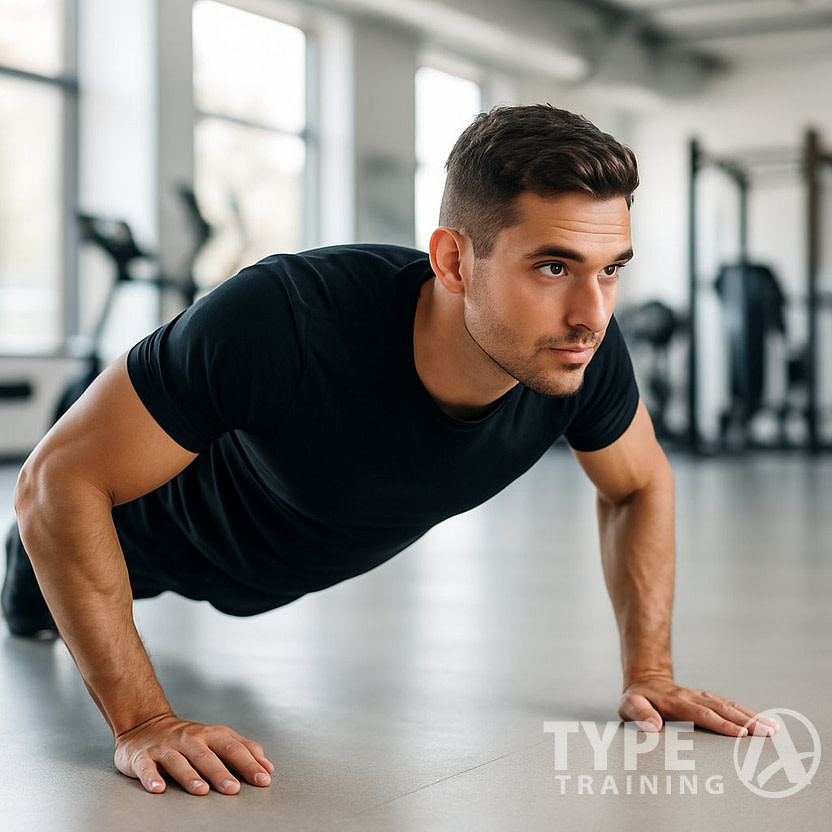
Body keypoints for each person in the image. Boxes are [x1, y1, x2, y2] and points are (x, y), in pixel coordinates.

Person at [3, 104, 776, 797]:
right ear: (451, 260)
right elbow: (55, 482)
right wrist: (143, 722)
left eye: (611, 271)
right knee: (26, 609)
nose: (591, 313)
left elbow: (640, 483)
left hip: (270, 572)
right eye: (553, 266)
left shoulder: (581, 358)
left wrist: (650, 673)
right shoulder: (281, 320)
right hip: (135, 536)